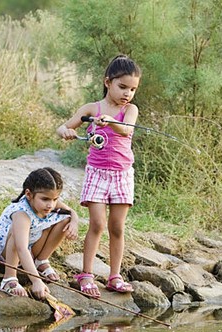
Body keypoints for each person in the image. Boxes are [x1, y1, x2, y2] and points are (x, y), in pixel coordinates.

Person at [56, 55, 142, 297]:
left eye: (132, 89)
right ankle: (86, 274)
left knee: (117, 227)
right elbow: (64, 126)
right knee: (97, 224)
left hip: (123, 175)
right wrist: (66, 132)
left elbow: (126, 130)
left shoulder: (130, 110)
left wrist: (112, 122)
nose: (127, 93)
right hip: (97, 174)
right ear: (108, 82)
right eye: (122, 87)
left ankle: (114, 276)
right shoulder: (92, 109)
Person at [0, 168, 79, 299]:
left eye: (55, 199)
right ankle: (9, 278)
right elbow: (21, 248)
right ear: (28, 194)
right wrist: (36, 281)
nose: (51, 205)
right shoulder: (21, 213)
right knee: (17, 234)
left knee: (65, 218)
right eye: (45, 199)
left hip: (28, 247)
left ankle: (41, 261)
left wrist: (74, 222)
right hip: (3, 251)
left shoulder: (49, 202)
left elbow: (70, 211)